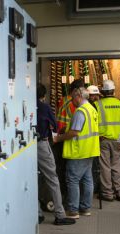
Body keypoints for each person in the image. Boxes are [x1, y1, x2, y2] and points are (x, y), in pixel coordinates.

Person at [53, 87, 100, 219]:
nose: (72, 100)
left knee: (72, 179)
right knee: (87, 180)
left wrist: (57, 138)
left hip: (78, 151)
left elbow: (74, 132)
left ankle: (73, 210)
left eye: (73, 98)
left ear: (79, 96)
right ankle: (85, 208)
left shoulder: (80, 112)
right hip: (90, 150)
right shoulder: (92, 109)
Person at [37, 84, 76, 225]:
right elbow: (54, 125)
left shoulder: (27, 104)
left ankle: (38, 213)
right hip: (41, 144)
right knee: (52, 178)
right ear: (43, 95)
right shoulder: (45, 107)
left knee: (32, 179)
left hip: (26, 147)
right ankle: (60, 215)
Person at [96, 80, 120, 201]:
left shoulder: (98, 104)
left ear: (103, 92)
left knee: (105, 166)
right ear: (113, 90)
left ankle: (107, 193)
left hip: (104, 139)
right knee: (116, 165)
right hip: (118, 139)